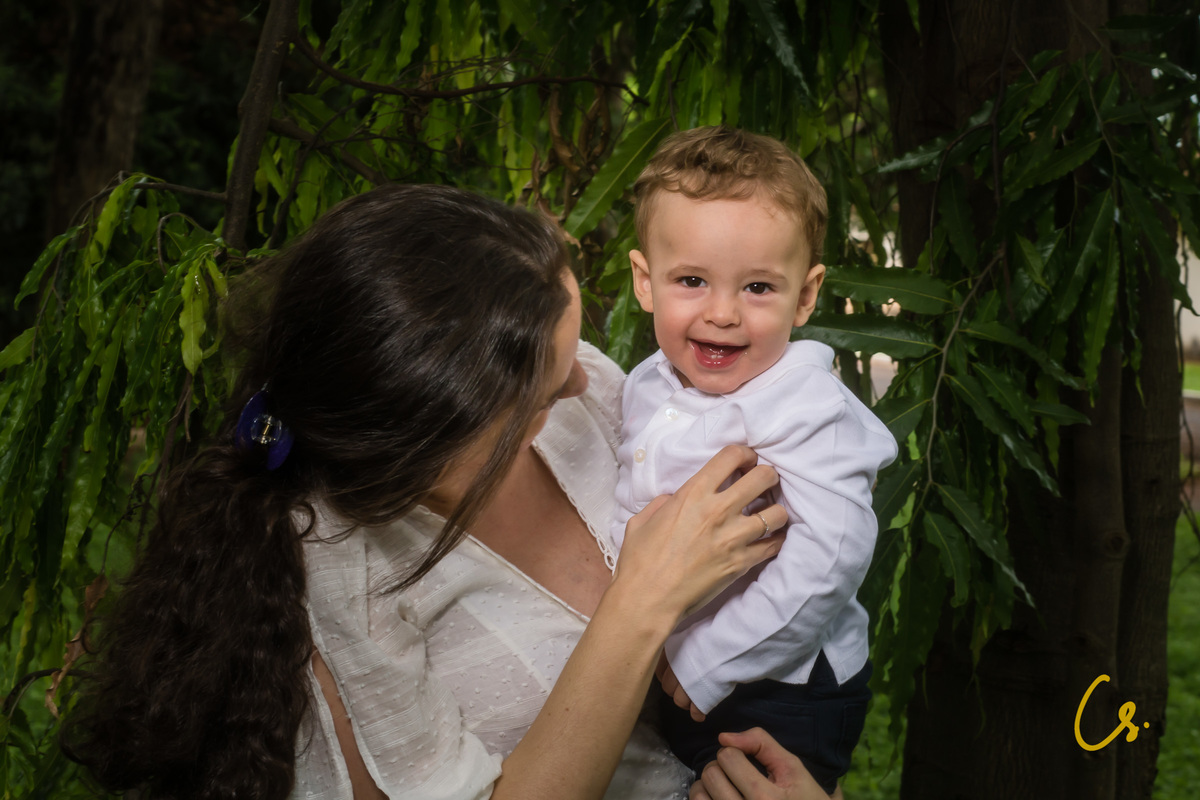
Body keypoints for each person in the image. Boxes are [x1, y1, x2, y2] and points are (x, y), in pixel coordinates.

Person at [61, 183, 833, 800]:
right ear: (424, 446)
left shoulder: (584, 384)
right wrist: (641, 604)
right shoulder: (340, 570)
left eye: (573, 347)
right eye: (540, 393)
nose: (583, 380)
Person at [612, 127, 899, 794]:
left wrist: (709, 660)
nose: (721, 313)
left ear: (806, 295)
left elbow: (828, 558)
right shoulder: (647, 384)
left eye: (759, 289)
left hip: (781, 687)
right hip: (679, 666)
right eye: (691, 280)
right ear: (644, 281)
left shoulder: (806, 406)